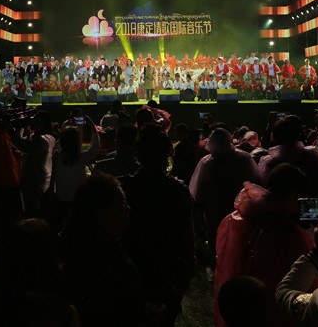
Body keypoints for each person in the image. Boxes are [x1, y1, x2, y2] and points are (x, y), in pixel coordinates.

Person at [214, 164, 318, 327]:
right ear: (294, 196)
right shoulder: (287, 233)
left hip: (240, 304)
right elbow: (306, 280)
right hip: (273, 309)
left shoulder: (239, 217)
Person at [121, 125, 195, 327]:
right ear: (166, 155)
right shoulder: (178, 190)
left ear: (137, 154)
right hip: (166, 270)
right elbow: (187, 236)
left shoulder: (125, 187)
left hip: (133, 268)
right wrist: (185, 273)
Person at [61, 173, 143, 327]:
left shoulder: (101, 247)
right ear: (100, 214)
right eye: (121, 205)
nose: (128, 209)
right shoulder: (100, 272)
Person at [189, 127, 261, 274]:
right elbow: (256, 185)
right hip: (240, 210)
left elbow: (198, 194)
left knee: (218, 242)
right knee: (240, 243)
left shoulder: (207, 163)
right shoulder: (243, 158)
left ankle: (219, 272)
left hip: (215, 211)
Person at [257, 115, 318, 198]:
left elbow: (261, 189)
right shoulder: (312, 152)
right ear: (298, 134)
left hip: (282, 206)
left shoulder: (267, 161)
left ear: (274, 136)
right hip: (315, 204)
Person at [12, 111, 56, 219]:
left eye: (36, 122)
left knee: (33, 212)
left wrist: (13, 132)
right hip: (41, 180)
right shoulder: (50, 138)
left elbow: (24, 146)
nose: (33, 124)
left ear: (43, 124)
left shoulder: (43, 140)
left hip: (35, 181)